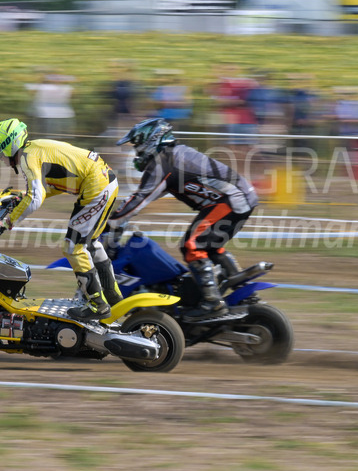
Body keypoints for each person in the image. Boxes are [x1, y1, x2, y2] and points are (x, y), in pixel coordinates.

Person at [107, 118, 259, 322]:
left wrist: (111, 222)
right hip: (239, 196)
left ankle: (212, 303)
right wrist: (120, 217)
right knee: (209, 246)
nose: (137, 152)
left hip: (232, 199)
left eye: (138, 145)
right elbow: (144, 196)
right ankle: (245, 294)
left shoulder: (163, 163)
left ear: (151, 140)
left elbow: (138, 200)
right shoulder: (173, 157)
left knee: (192, 245)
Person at [0, 118, 122, 322]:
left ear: (9, 143)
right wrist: (21, 198)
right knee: (90, 243)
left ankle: (98, 304)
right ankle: (113, 296)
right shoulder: (33, 150)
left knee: (73, 247)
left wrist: (6, 222)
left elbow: (35, 198)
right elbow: (46, 188)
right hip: (103, 181)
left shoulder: (27, 158)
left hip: (97, 186)